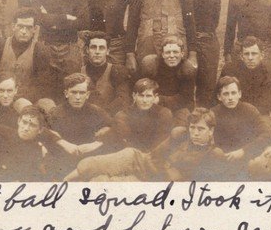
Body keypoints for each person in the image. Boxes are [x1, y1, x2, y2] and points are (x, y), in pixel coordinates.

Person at [65, 107, 227, 182]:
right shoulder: (180, 135)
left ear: (211, 131)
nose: (195, 133)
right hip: (141, 161)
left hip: (153, 182)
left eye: (201, 129)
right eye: (193, 127)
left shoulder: (213, 154)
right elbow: (154, 155)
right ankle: (61, 184)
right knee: (95, 163)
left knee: (102, 183)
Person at [30, 0, 89, 89]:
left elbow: (82, 22)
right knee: (45, 86)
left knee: (71, 86)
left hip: (70, 45)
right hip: (46, 44)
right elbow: (38, 18)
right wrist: (65, 18)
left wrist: (51, 20)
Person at [0, 7, 53, 103]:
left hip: (25, 100)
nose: (24, 31)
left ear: (35, 29)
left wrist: (22, 100)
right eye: (20, 26)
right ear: (13, 26)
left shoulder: (40, 51)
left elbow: (42, 85)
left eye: (28, 27)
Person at [179, 0, 222, 106]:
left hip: (209, 39)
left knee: (209, 83)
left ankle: (206, 119)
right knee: (187, 80)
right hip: (189, 39)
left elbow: (216, 15)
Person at [0, 105, 63, 182]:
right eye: (24, 122)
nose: (26, 128)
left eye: (32, 125)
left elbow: (28, 178)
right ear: (19, 120)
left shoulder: (36, 151)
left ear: (40, 130)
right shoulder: (0, 132)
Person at [210, 76, 271, 178]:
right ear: (219, 97)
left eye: (233, 93)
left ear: (239, 94)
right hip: (224, 159)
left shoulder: (249, 110)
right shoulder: (213, 113)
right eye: (226, 94)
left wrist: (244, 151)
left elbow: (268, 134)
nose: (230, 97)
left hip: (247, 157)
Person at [47, 73, 113, 172]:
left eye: (82, 93)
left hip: (90, 160)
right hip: (63, 162)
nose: (78, 97)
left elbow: (113, 129)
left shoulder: (96, 112)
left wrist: (95, 144)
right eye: (74, 92)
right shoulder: (55, 113)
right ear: (66, 93)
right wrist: (64, 143)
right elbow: (45, 133)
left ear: (87, 95)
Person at [138, 36, 197, 118]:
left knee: (181, 121)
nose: (172, 56)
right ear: (162, 54)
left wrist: (160, 100)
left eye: (175, 52)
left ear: (182, 54)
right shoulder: (151, 65)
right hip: (153, 103)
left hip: (178, 106)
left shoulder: (187, 69)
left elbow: (185, 99)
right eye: (168, 52)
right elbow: (142, 88)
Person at [219, 36, 271, 115]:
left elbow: (267, 104)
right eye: (246, 54)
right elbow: (218, 96)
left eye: (254, 54)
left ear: (262, 55)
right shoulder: (229, 69)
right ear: (241, 56)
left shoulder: (270, 72)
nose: (250, 58)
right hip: (232, 112)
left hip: (257, 114)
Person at [111, 78, 174, 152]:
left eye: (148, 96)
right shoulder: (123, 115)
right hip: (133, 156)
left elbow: (161, 142)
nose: (144, 100)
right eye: (141, 96)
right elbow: (126, 144)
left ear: (155, 97)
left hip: (155, 156)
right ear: (134, 96)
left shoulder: (164, 113)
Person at [81, 32, 131, 115]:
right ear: (87, 50)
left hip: (109, 119)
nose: (97, 52)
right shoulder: (79, 72)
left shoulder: (117, 71)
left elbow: (123, 100)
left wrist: (102, 116)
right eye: (93, 47)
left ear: (107, 51)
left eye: (101, 48)